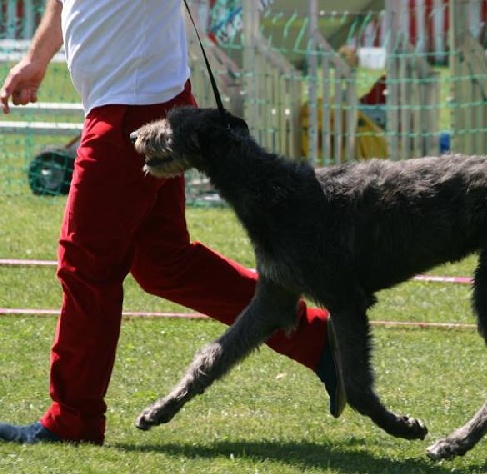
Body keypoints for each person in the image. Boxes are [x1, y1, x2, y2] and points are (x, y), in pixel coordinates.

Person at [0, 0, 344, 445]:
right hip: (140, 105)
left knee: (86, 266)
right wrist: (36, 58)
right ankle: (317, 339)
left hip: (132, 112)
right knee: (165, 263)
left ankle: (73, 420)